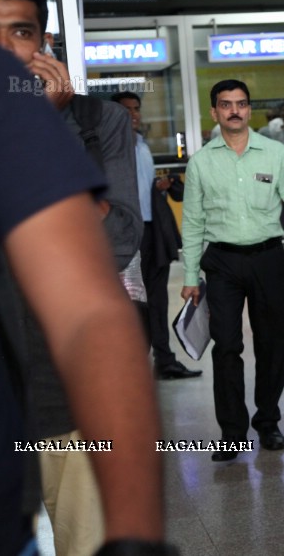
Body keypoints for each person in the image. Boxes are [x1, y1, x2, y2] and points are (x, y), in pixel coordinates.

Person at [0, 46, 173, 556]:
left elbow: (117, 241)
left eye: (24, 33)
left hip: (60, 396)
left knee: (84, 534)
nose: (12, 53)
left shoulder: (101, 122)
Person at [180, 79, 284, 462]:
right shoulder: (201, 162)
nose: (234, 111)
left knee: (272, 343)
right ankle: (232, 431)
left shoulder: (274, 154)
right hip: (222, 261)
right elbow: (192, 223)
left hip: (268, 259)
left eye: (241, 104)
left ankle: (268, 421)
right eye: (226, 105)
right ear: (214, 112)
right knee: (226, 346)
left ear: (249, 109)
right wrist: (190, 276)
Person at [111, 91, 201, 380]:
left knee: (158, 300)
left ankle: (165, 360)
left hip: (153, 232)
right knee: (131, 304)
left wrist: (159, 186)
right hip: (127, 235)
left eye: (136, 109)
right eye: (126, 110)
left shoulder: (141, 145)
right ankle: (130, 364)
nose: (134, 114)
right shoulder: (109, 147)